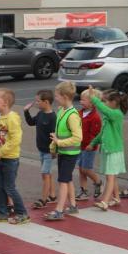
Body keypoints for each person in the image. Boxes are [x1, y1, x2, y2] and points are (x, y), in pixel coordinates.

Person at [0, 88, 29, 224]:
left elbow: (16, 139)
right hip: (1, 157)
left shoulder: (12, 118)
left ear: (5, 103)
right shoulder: (1, 116)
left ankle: (22, 213)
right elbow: (1, 127)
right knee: (0, 186)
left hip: (10, 158)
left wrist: (1, 152)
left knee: (9, 187)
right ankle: (3, 213)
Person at [45, 82, 83, 221]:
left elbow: (78, 137)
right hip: (63, 152)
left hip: (70, 153)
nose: (55, 98)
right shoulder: (62, 110)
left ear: (65, 96)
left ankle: (59, 210)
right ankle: (73, 206)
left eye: (57, 96)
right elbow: (57, 133)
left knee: (63, 181)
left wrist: (59, 143)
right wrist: (54, 147)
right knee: (67, 179)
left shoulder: (72, 115)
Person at [91, 89, 128, 210]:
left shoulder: (116, 114)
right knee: (112, 176)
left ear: (113, 102)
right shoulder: (109, 116)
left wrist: (95, 99)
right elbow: (102, 133)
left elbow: (104, 110)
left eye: (106, 101)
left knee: (110, 177)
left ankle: (105, 201)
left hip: (114, 150)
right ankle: (116, 198)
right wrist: (93, 142)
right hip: (108, 149)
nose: (104, 103)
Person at [24, 89, 57, 209]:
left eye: (38, 101)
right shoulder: (40, 114)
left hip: (49, 151)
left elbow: (54, 136)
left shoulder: (53, 117)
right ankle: (52, 195)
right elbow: (31, 122)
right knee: (47, 173)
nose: (36, 103)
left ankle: (43, 199)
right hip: (41, 150)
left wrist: (54, 150)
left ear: (46, 102)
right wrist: (26, 111)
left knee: (45, 174)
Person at [76, 88, 104, 201]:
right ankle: (83, 190)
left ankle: (98, 182)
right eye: (81, 99)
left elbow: (95, 134)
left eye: (84, 100)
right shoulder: (80, 113)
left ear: (92, 102)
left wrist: (92, 144)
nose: (81, 102)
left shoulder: (95, 117)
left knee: (86, 169)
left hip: (89, 147)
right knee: (81, 169)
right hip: (80, 145)